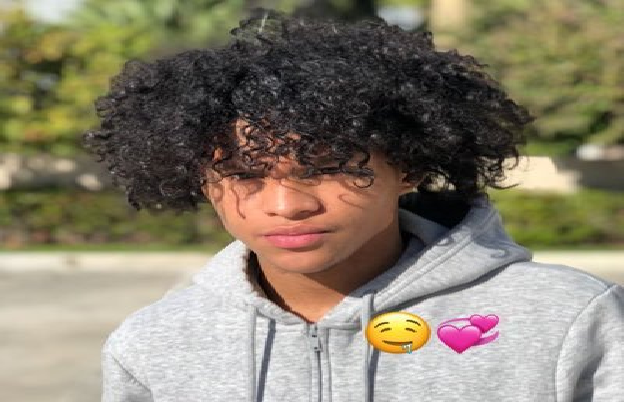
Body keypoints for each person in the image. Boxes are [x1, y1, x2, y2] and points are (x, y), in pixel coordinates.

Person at [82, 9, 624, 402]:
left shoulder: (567, 316)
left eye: (325, 168)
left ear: (408, 166)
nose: (287, 205)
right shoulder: (154, 342)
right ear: (199, 180)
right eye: (244, 175)